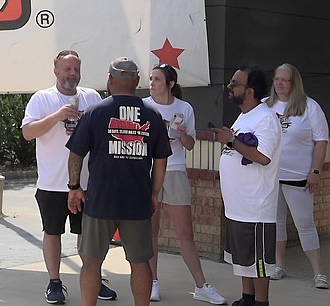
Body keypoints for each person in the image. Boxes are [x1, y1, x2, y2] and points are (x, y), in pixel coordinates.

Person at [66, 57, 171, 306]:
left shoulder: (95, 112)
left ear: (110, 80)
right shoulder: (152, 114)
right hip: (137, 200)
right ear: (136, 82)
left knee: (91, 260)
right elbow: (161, 160)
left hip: (100, 200)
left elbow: (76, 153)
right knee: (140, 261)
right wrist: (154, 193)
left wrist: (74, 187)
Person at [22, 50, 118, 304]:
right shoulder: (42, 98)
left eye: (76, 69)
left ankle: (93, 280)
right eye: (67, 69)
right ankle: (55, 283)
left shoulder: (92, 97)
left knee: (88, 235)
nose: (72, 74)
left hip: (87, 183)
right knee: (53, 232)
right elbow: (28, 132)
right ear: (56, 71)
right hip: (53, 183)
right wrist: (57, 116)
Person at [142, 64, 227, 304]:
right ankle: (152, 282)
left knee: (185, 232)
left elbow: (190, 144)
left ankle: (201, 285)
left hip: (176, 170)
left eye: (157, 79)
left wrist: (180, 133)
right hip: (149, 171)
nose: (152, 83)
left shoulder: (184, 108)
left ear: (170, 83)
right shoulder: (145, 106)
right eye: (151, 79)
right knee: (151, 230)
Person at [213, 66, 281, 306]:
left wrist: (231, 140)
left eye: (235, 83)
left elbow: (263, 157)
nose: (230, 87)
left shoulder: (266, 118)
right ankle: (248, 298)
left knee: (259, 261)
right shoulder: (245, 116)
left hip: (256, 206)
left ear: (250, 90)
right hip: (238, 205)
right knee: (244, 258)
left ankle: (261, 302)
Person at [264, 63, 330, 289]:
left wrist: (315, 171)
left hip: (299, 176)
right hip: (271, 176)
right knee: (276, 223)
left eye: (285, 79)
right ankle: (279, 266)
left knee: (305, 223)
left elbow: (321, 141)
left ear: (295, 83)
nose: (280, 83)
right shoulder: (265, 106)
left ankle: (318, 273)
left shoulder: (310, 107)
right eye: (277, 79)